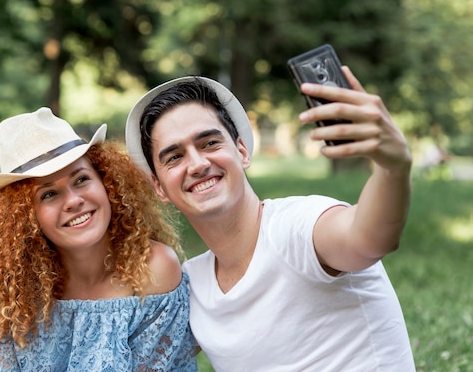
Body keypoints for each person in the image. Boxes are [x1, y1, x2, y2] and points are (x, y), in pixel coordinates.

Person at [125, 70, 416, 371]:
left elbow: (369, 238)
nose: (198, 164)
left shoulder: (297, 227)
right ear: (159, 187)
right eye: (174, 157)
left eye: (210, 143)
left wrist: (393, 168)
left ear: (242, 151)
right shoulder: (194, 285)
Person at [0, 107, 198, 372]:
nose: (74, 201)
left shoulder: (153, 269)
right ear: (25, 217)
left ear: (107, 183)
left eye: (81, 179)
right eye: (49, 195)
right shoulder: (9, 286)